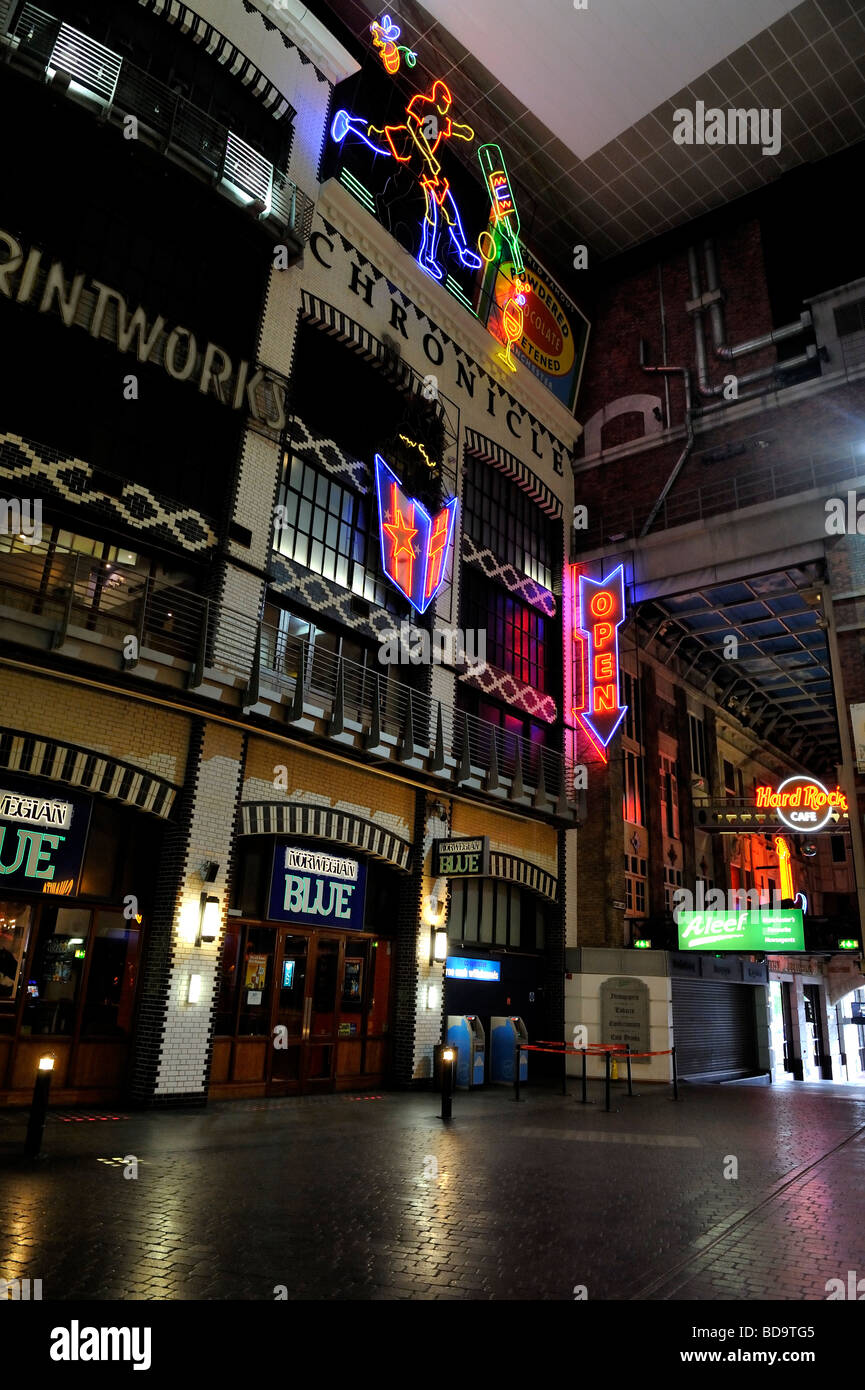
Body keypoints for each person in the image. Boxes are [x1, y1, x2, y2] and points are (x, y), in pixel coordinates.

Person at [332, 81, 482, 282]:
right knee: (377, 138)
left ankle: (458, 251)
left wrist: (461, 131)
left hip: (425, 167)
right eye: (445, 100)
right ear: (439, 97)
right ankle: (348, 122)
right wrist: (426, 155)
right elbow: (413, 127)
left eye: (447, 102)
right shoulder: (424, 104)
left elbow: (450, 127)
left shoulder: (440, 118)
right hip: (409, 147)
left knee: (443, 206)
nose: (447, 105)